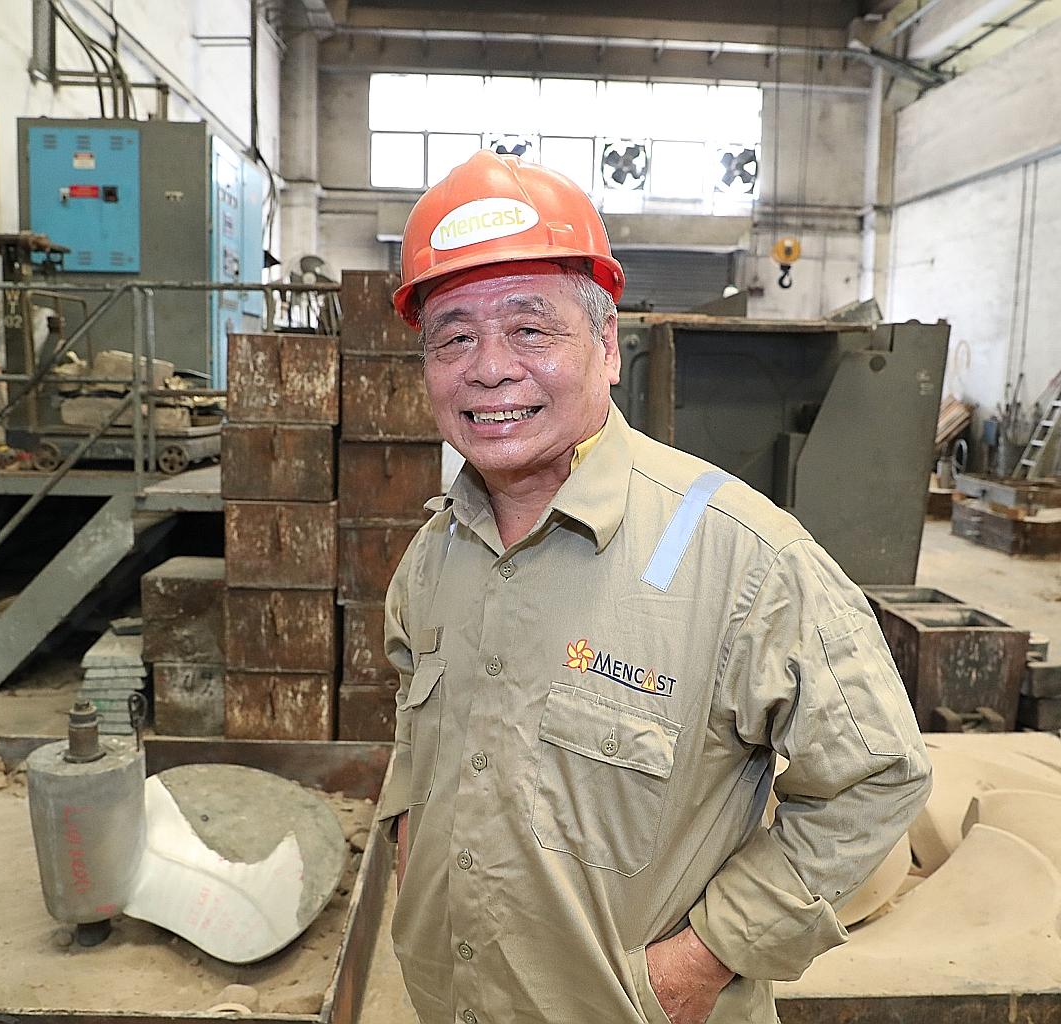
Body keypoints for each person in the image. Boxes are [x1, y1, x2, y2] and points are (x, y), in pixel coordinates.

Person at [374, 150, 932, 1024]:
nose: (488, 368)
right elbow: (423, 745)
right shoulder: (432, 557)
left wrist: (708, 957)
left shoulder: (745, 558)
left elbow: (879, 775)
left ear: (605, 346)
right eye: (453, 337)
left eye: (530, 329)